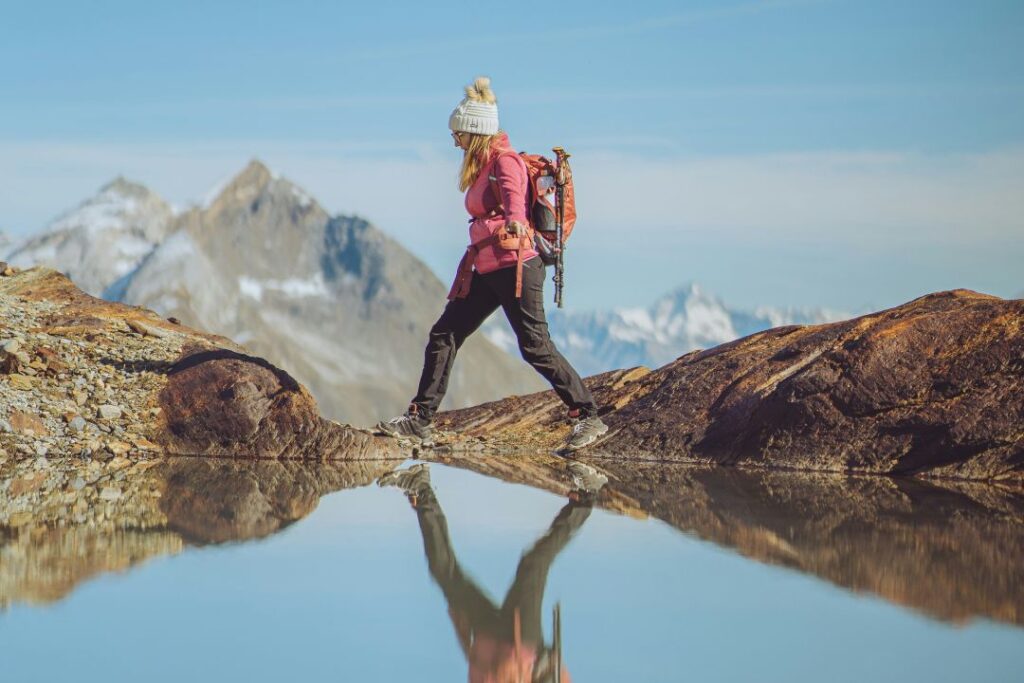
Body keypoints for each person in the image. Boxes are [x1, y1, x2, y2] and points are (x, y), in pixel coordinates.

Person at [376, 76, 607, 452]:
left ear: (474, 133)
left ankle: (588, 415)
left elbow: (516, 197)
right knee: (445, 334)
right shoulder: (485, 164)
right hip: (487, 268)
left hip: (516, 265)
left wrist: (517, 219)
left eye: (459, 134)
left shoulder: (505, 162)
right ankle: (420, 420)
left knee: (535, 345)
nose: (454, 141)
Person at [378, 462, 608, 682]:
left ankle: (421, 489)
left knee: (443, 572)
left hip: (487, 641)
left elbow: (474, 663)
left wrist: (460, 625)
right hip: (522, 646)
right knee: (533, 565)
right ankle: (586, 498)